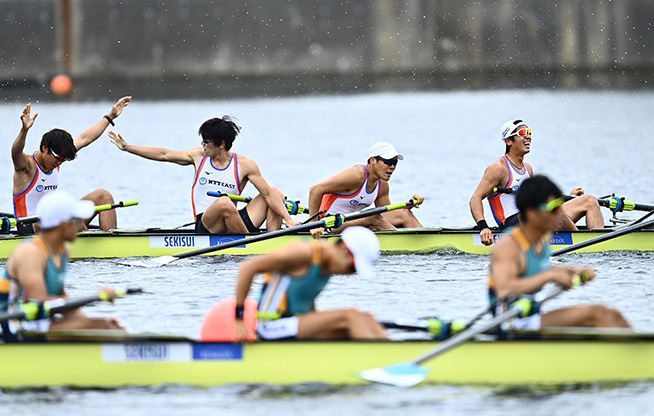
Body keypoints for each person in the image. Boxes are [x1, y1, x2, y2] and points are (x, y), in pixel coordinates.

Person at [109, 116, 299, 234]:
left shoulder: (245, 165)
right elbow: (164, 154)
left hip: (235, 222)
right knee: (224, 203)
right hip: (208, 225)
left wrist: (288, 219)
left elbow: (267, 194)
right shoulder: (198, 157)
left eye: (206, 141)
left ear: (222, 143)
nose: (203, 145)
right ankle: (249, 245)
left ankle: (273, 241)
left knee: (276, 193)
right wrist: (128, 148)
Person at [488, 175, 631, 331]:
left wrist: (573, 271)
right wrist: (550, 276)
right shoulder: (509, 244)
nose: (560, 214)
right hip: (509, 325)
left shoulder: (541, 241)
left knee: (613, 315)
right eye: (554, 208)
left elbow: (537, 271)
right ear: (531, 213)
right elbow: (505, 289)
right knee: (598, 314)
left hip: (530, 319)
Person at [0, 190, 123, 340]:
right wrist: (96, 299)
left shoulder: (62, 250)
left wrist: (87, 321)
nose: (81, 226)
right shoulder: (30, 253)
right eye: (77, 220)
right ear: (64, 226)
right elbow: (40, 303)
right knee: (102, 327)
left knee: (109, 327)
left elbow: (61, 298)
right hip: (13, 326)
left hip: (36, 323)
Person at [234, 226, 388, 341]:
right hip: (270, 326)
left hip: (294, 325)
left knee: (366, 318)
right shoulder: (303, 252)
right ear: (342, 249)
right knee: (350, 316)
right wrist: (239, 319)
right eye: (352, 267)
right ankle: (380, 364)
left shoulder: (326, 265)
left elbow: (303, 297)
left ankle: (394, 360)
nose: (350, 274)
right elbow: (248, 268)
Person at [470, 119, 604, 246]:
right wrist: (484, 228)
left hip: (534, 217)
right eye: (522, 133)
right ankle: (584, 244)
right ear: (508, 141)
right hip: (512, 225)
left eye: (529, 133)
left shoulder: (528, 168)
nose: (528, 137)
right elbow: (475, 198)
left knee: (590, 200)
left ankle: (601, 242)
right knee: (552, 206)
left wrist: (567, 199)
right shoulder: (498, 168)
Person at [12, 96, 132, 235]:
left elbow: (85, 138)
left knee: (103, 196)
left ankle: (111, 241)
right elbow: (16, 152)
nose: (60, 162)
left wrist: (111, 116)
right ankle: (89, 244)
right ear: (45, 148)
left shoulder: (58, 157)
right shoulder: (26, 166)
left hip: (56, 220)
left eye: (64, 159)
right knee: (65, 211)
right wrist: (24, 130)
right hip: (29, 227)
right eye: (58, 158)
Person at [308, 141, 424, 238]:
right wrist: (314, 225)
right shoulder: (357, 175)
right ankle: (405, 244)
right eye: (388, 162)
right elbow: (315, 190)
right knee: (373, 218)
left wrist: (408, 205)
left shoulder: (382, 184)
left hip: (352, 222)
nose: (392, 167)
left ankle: (426, 240)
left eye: (394, 163)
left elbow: (386, 213)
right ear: (373, 160)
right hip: (330, 223)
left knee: (405, 214)